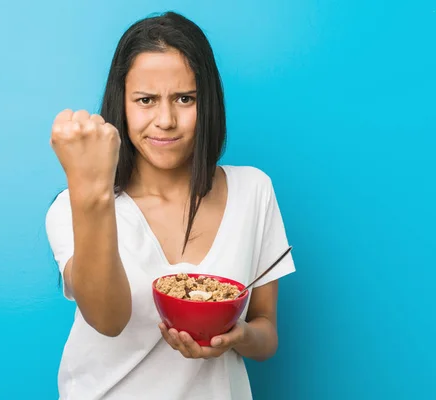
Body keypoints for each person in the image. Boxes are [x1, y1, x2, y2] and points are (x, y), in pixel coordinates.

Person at [45, 11, 295, 400]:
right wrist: (90, 193)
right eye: (145, 100)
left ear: (207, 102)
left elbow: (267, 335)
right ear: (122, 105)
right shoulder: (73, 207)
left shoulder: (254, 191)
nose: (166, 120)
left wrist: (237, 335)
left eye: (184, 99)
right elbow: (107, 319)